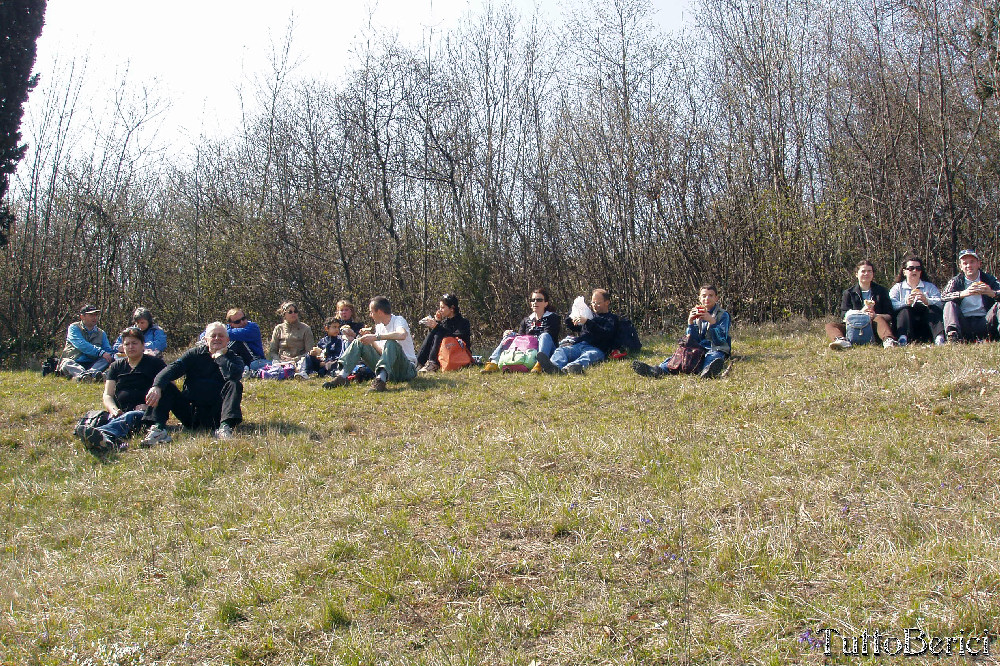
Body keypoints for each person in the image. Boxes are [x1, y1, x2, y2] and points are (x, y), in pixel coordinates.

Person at [142, 322, 245, 444]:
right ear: (206, 339)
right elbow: (173, 369)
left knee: (234, 384)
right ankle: (158, 429)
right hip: (191, 412)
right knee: (166, 385)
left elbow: (233, 375)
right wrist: (156, 386)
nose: (217, 338)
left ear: (227, 340)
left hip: (218, 414)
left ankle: (225, 428)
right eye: (213, 335)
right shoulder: (194, 354)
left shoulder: (234, 358)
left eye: (221, 336)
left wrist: (220, 358)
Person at [74, 326, 167, 455]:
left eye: (134, 343)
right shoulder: (116, 366)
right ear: (122, 347)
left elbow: (169, 391)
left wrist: (149, 406)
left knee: (132, 415)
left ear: (143, 345)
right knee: (104, 416)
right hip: (119, 413)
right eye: (127, 344)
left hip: (146, 414)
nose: (130, 347)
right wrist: (113, 410)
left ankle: (101, 434)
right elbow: (107, 394)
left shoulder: (156, 364)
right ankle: (106, 440)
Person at [632, 285, 731, 379]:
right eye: (704, 296)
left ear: (716, 298)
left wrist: (712, 322)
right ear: (699, 298)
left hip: (715, 347)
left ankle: (707, 371)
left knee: (713, 356)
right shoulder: (697, 312)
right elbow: (692, 339)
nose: (707, 298)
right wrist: (690, 323)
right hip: (698, 347)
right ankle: (658, 370)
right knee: (680, 356)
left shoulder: (723, 315)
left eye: (711, 295)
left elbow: (721, 340)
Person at [322, 296, 417, 392]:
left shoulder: (398, 320)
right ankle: (342, 376)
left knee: (391, 342)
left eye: (371, 312)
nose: (370, 315)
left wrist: (376, 337)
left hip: (406, 369)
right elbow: (383, 353)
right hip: (390, 371)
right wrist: (371, 341)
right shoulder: (379, 326)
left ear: (379, 312)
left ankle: (380, 380)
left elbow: (402, 335)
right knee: (359, 341)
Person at [535, 288, 618, 375]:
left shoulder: (611, 318)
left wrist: (587, 322)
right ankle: (553, 367)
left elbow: (607, 334)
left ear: (607, 302)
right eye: (593, 302)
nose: (594, 305)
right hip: (579, 345)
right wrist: (571, 316)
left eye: (598, 303)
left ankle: (570, 368)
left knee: (590, 356)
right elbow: (575, 328)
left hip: (596, 348)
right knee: (562, 351)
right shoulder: (589, 315)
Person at [481, 287, 561, 373]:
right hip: (529, 350)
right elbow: (520, 339)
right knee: (510, 335)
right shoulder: (527, 320)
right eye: (533, 300)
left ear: (546, 303)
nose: (535, 302)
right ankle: (493, 363)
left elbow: (550, 337)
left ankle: (540, 364)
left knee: (544, 336)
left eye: (539, 300)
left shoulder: (553, 317)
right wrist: (511, 334)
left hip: (547, 349)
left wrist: (532, 338)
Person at [826, 260, 900, 350]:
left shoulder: (881, 291)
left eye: (869, 271)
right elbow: (844, 315)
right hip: (853, 326)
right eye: (863, 271)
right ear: (856, 274)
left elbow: (890, 315)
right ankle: (841, 340)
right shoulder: (849, 293)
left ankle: (888, 340)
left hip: (874, 326)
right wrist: (860, 313)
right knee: (830, 325)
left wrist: (875, 315)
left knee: (879, 319)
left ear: (873, 274)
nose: (866, 274)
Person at [941, 249, 1000, 343]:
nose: (969, 266)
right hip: (964, 322)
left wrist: (992, 293)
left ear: (979, 264)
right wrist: (963, 293)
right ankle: (953, 338)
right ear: (960, 266)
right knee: (949, 304)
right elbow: (943, 297)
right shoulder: (956, 281)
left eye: (972, 262)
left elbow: (998, 291)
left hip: (985, 321)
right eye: (965, 263)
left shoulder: (990, 279)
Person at [889, 256, 945, 345]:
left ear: (921, 272)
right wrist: (906, 303)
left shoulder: (930, 287)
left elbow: (940, 302)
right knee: (905, 310)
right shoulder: (897, 288)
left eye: (918, 269)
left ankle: (939, 338)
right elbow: (891, 305)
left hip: (926, 324)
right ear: (904, 272)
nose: (914, 271)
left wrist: (927, 301)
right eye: (911, 268)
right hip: (907, 324)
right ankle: (903, 339)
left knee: (933, 309)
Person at [415, 293, 472, 372]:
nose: (440, 310)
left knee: (439, 333)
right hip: (446, 353)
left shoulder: (464, 322)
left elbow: (455, 337)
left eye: (442, 307)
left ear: (452, 308)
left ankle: (433, 363)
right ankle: (419, 362)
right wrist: (437, 322)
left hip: (458, 352)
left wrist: (437, 326)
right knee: (435, 332)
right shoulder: (444, 322)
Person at [58, 304, 114, 381]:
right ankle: (85, 375)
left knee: (106, 359)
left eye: (96, 315)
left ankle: (90, 374)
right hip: (75, 361)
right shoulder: (74, 328)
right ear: (82, 317)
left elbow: (107, 350)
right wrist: (100, 352)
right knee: (67, 363)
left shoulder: (101, 333)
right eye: (91, 315)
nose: (95, 317)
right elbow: (81, 344)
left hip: (93, 364)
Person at [267, 301, 316, 379]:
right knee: (257, 364)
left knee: (304, 361)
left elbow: (309, 352)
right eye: (290, 312)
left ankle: (300, 373)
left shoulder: (305, 329)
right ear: (284, 314)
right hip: (281, 361)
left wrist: (295, 359)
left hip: (299, 360)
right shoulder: (278, 329)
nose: (293, 314)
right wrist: (277, 359)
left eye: (295, 311)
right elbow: (273, 351)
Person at [224, 307, 269, 372]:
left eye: (243, 318)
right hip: (240, 361)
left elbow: (230, 334)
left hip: (255, 361)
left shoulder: (253, 328)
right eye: (237, 322)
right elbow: (206, 334)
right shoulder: (226, 328)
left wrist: (216, 332)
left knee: (236, 343)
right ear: (231, 324)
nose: (242, 322)